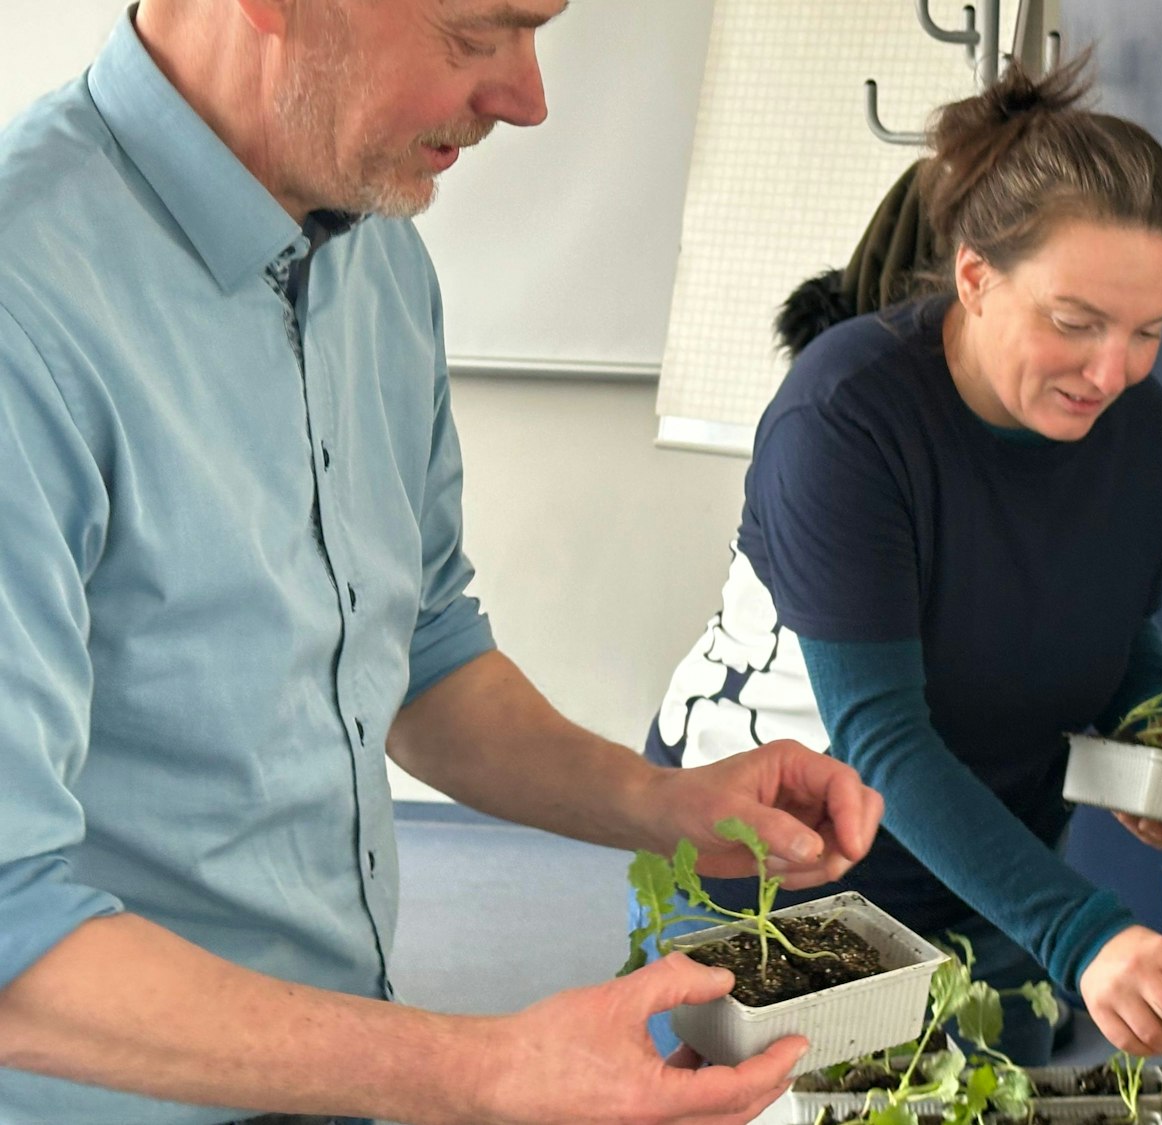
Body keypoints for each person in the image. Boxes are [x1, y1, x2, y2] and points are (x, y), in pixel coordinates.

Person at [0, 3, 883, 1123]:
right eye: (476, 34)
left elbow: (420, 657)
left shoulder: (379, 268)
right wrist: (486, 1069)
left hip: (328, 1068)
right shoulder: (25, 306)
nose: (529, 97)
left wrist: (665, 805)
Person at [641, 59, 1162, 1060]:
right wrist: (1083, 933)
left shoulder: (1139, 427)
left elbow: (1113, 625)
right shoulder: (847, 415)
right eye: (1074, 323)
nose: (1110, 371)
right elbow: (881, 742)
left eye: (1147, 332)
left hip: (986, 886)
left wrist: (1153, 729)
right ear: (974, 276)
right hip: (780, 882)